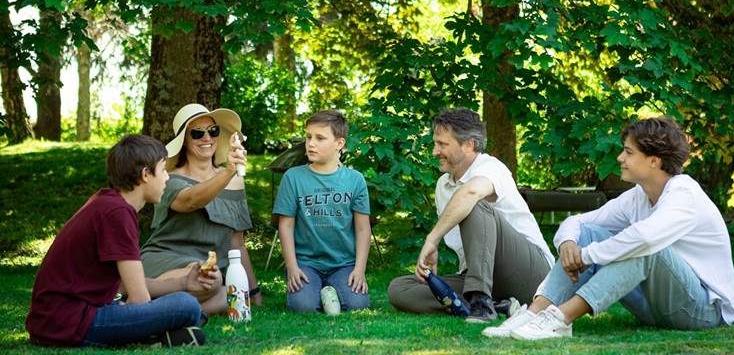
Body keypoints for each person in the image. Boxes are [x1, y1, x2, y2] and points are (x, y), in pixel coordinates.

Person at [484, 116, 734, 340]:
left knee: (647, 248)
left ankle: (560, 319)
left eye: (629, 153)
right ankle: (534, 312)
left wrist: (586, 256)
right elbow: (579, 222)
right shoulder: (638, 196)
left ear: (654, 161)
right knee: (587, 234)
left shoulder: (685, 194)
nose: (620, 158)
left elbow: (646, 239)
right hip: (654, 307)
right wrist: (568, 245)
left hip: (703, 312)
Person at [26, 135, 208, 347]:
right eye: (163, 169)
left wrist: (183, 283)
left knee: (181, 302)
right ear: (146, 174)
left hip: (56, 322)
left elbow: (125, 285)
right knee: (187, 306)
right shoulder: (117, 213)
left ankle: (158, 337)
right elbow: (140, 298)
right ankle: (152, 335)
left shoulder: (109, 203)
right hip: (69, 323)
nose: (167, 177)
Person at [388, 108, 554, 323]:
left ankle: (482, 303)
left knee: (472, 204)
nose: (434, 152)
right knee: (399, 289)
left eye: (443, 144)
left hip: (532, 275)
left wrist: (432, 239)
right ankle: (498, 305)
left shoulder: (492, 167)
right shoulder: (443, 186)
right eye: (435, 143)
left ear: (469, 145)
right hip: (481, 277)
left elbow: (471, 192)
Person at [141, 103, 262, 315]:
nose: (207, 138)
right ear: (184, 141)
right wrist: (227, 173)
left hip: (210, 268)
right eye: (197, 133)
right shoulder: (170, 178)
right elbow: (191, 201)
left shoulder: (235, 181)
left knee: (230, 293)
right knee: (212, 283)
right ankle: (158, 308)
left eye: (212, 131)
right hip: (165, 259)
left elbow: (237, 244)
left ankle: (162, 314)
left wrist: (253, 293)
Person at [273, 109, 372, 312]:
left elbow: (363, 229)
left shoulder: (355, 180)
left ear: (339, 144)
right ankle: (316, 289)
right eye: (308, 137)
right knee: (303, 306)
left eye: (320, 138)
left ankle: (333, 285)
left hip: (343, 263)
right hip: (306, 263)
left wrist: (359, 270)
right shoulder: (293, 177)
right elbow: (286, 225)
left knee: (358, 304)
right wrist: (292, 267)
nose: (310, 143)